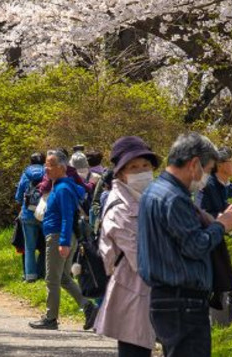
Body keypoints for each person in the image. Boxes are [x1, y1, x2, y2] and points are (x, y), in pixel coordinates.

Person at [138, 132, 232, 356]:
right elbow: (195, 245)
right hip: (183, 302)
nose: (205, 177)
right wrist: (221, 225)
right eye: (208, 170)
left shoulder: (154, 190)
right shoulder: (174, 198)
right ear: (194, 164)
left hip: (165, 298)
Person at [94, 136, 160, 357]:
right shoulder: (119, 208)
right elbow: (141, 257)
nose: (141, 171)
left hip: (154, 291)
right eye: (133, 167)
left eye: (145, 165)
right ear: (121, 173)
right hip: (132, 289)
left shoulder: (151, 197)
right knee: (134, 350)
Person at [30, 151, 98, 331]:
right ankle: (89, 307)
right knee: (64, 278)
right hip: (59, 236)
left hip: (58, 237)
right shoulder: (61, 185)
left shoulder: (63, 189)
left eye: (50, 165)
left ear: (61, 168)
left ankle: (50, 318)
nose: (46, 168)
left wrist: (64, 242)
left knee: (52, 279)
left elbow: (68, 217)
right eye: (46, 163)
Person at [14, 152, 47, 281]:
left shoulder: (25, 174)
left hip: (27, 214)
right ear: (44, 161)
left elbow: (18, 196)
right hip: (44, 213)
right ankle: (43, 272)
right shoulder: (48, 172)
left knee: (29, 247)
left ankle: (30, 276)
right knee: (46, 246)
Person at [196, 148, 232, 218]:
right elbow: (200, 213)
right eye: (231, 161)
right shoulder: (206, 186)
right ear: (219, 165)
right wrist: (222, 217)